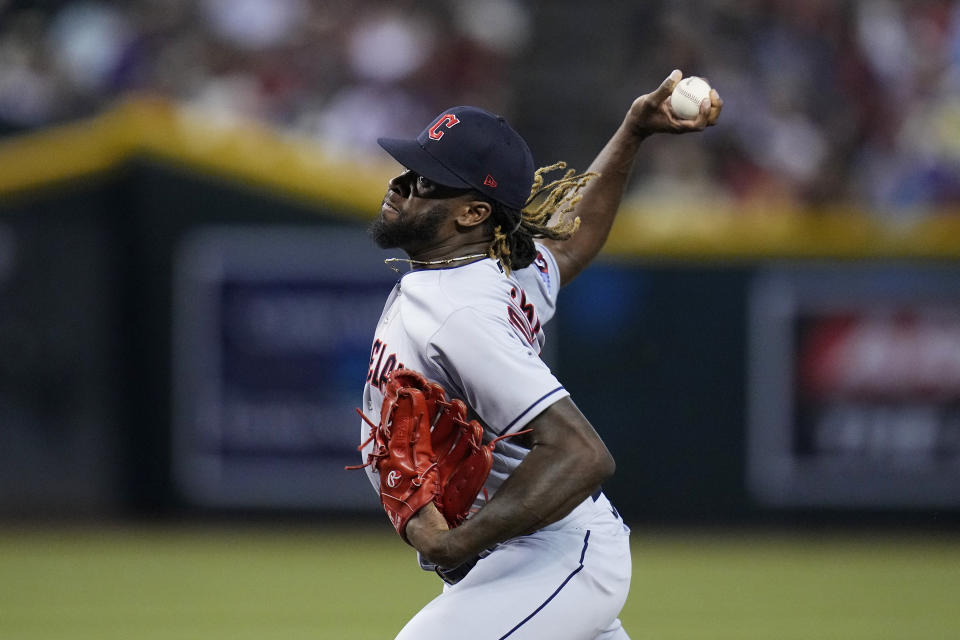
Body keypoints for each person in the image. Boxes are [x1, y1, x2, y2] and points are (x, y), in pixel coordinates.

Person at [358, 69, 722, 640]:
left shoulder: (460, 314)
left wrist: (457, 543)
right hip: (536, 555)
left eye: (428, 181)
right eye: (409, 169)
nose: (402, 185)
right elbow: (570, 243)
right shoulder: (495, 272)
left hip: (553, 555)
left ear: (474, 214)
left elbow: (582, 454)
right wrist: (632, 132)